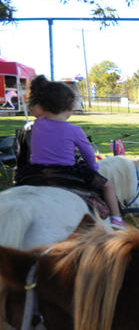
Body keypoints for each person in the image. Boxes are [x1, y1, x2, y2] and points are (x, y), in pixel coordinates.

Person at [21, 75, 127, 229]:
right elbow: (88, 154)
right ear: (70, 106)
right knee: (108, 185)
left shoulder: (36, 124)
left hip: (35, 171)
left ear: (44, 105)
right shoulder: (75, 130)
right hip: (67, 172)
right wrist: (92, 167)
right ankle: (116, 219)